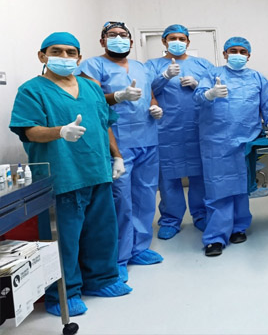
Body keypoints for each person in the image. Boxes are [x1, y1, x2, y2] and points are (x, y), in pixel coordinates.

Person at [10, 32, 132, 316]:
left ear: (79, 58)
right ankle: (63, 294)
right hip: (62, 175)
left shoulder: (91, 88)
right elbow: (29, 131)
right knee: (64, 240)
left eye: (70, 52)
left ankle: (102, 280)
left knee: (102, 232)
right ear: (42, 56)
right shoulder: (32, 90)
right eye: (56, 51)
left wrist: (116, 156)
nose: (64, 57)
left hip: (97, 171)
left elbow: (104, 124)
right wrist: (60, 132)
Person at [78, 21, 163, 282]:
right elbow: (89, 99)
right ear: (102, 40)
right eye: (112, 35)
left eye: (123, 35)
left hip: (147, 138)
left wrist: (155, 106)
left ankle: (139, 248)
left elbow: (149, 94)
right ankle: (118, 257)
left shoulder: (141, 67)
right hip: (118, 142)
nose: (118, 38)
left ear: (131, 41)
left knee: (146, 196)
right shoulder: (93, 66)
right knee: (120, 200)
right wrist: (118, 96)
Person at [193, 36, 268, 257]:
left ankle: (239, 227)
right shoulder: (212, 74)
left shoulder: (257, 78)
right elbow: (198, 97)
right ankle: (215, 237)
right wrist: (210, 94)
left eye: (242, 51)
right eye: (233, 51)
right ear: (224, 54)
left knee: (241, 184)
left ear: (248, 55)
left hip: (246, 137)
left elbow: (266, 105)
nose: (237, 55)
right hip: (216, 139)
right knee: (218, 186)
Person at [147, 24, 213, 240]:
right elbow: (146, 92)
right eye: (172, 38)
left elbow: (213, 91)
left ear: (188, 42)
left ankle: (201, 214)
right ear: (164, 41)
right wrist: (164, 76)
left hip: (197, 127)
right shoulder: (153, 65)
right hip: (166, 129)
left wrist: (197, 84)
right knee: (168, 176)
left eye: (182, 38)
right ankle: (170, 219)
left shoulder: (202, 64)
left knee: (199, 174)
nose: (177, 42)